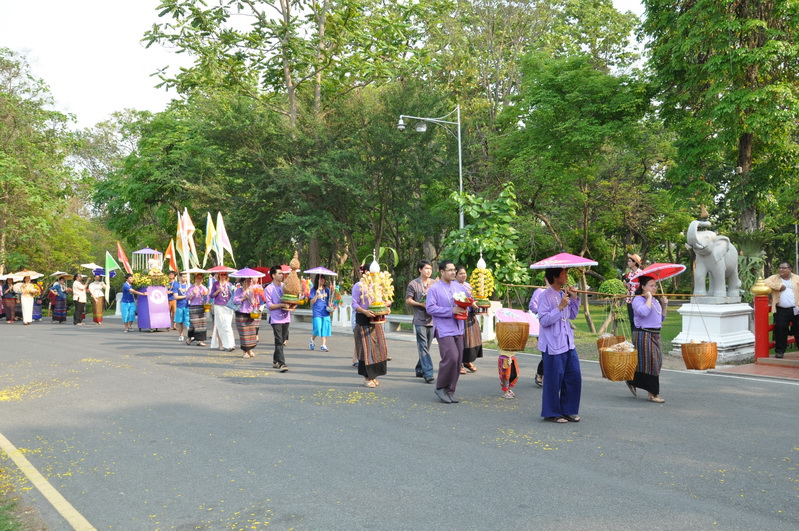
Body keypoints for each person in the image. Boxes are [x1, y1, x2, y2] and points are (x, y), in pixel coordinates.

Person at [537, 267, 582, 423]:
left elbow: (573, 315)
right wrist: (560, 307)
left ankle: (568, 410)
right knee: (554, 379)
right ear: (556, 276)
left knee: (574, 376)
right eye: (564, 273)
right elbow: (543, 320)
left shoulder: (564, 295)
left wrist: (574, 299)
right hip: (552, 343)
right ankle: (552, 412)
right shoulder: (545, 296)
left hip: (568, 342)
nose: (567, 276)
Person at [426, 260, 469, 404]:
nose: (453, 272)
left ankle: (450, 390)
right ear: (442, 272)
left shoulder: (459, 287)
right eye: (450, 270)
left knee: (458, 360)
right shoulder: (435, 288)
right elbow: (430, 308)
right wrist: (451, 311)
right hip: (444, 328)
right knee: (451, 356)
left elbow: (467, 302)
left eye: (454, 270)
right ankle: (440, 387)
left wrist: (466, 308)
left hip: (459, 327)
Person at [627, 275, 667, 403]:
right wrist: (649, 298)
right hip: (643, 333)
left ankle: (632, 380)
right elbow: (643, 312)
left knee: (656, 361)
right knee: (652, 363)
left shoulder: (655, 301)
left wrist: (665, 305)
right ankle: (653, 394)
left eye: (655, 285)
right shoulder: (638, 299)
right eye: (651, 285)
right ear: (643, 287)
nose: (654, 288)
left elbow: (661, 319)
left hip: (655, 334)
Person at [351, 268, 389, 387]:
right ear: (365, 273)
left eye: (376, 274)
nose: (374, 275)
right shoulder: (359, 285)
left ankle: (374, 376)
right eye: (371, 273)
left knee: (378, 348)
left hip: (376, 320)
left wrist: (386, 306)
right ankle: (367, 378)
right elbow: (354, 303)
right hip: (363, 320)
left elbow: (384, 300)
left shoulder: (378, 285)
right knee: (366, 350)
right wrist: (365, 311)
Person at [405, 259, 435, 383]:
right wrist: (420, 304)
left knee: (426, 346)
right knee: (423, 346)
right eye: (426, 268)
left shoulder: (434, 283)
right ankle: (428, 373)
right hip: (419, 319)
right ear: (420, 269)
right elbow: (408, 300)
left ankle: (419, 369)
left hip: (432, 320)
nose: (428, 271)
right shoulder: (413, 284)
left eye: (430, 269)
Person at [764, 262, 799, 358]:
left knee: (798, 330)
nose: (781, 270)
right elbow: (765, 282)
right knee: (780, 329)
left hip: (796, 309)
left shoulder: (796, 278)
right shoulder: (774, 278)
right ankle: (780, 351)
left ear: (790, 269)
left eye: (784, 268)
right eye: (779, 268)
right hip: (781, 310)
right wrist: (778, 286)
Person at [456, 265, 483, 374]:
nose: (463, 275)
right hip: (461, 316)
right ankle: (459, 365)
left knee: (472, 340)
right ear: (456, 275)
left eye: (464, 273)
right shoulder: (454, 286)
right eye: (460, 273)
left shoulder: (469, 286)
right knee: (462, 341)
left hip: (471, 316)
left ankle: (467, 361)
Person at [265, 265, 291, 372]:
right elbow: (269, 305)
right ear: (273, 275)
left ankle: (275, 360)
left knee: (283, 339)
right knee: (279, 340)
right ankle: (282, 363)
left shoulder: (285, 286)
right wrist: (281, 305)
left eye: (282, 273)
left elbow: (291, 298)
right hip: (275, 319)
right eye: (279, 273)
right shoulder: (268, 289)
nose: (282, 275)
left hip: (286, 317)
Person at [233, 277, 262, 359]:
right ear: (243, 282)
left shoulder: (253, 289)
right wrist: (243, 297)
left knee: (251, 333)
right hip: (241, 313)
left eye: (250, 281)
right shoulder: (239, 290)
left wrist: (253, 299)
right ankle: (244, 351)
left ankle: (249, 350)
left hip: (250, 313)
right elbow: (235, 301)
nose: (249, 282)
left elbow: (256, 301)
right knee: (244, 334)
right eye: (247, 281)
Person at [528, 278, 549, 387]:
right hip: (541, 324)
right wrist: (543, 311)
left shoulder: (559, 293)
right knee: (546, 351)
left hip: (554, 325)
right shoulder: (540, 291)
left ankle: (548, 375)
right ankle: (540, 373)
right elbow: (532, 306)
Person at [209, 272, 236, 352]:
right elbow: (211, 295)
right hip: (218, 305)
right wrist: (218, 291)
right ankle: (221, 344)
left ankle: (231, 344)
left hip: (228, 306)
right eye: (221, 274)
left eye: (224, 274)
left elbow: (233, 295)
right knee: (219, 324)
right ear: (218, 275)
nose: (223, 276)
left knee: (227, 325)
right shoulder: (215, 284)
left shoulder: (229, 284)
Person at [309, 274, 332, 352]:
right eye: (320, 279)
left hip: (325, 312)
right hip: (317, 312)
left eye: (323, 279)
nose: (322, 280)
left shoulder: (327, 290)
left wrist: (332, 305)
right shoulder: (313, 290)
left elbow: (330, 300)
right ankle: (312, 339)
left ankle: (323, 345)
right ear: (317, 280)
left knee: (325, 328)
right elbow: (312, 301)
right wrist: (316, 295)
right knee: (318, 328)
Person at [185, 272, 209, 347]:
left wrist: (207, 297)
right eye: (198, 278)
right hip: (193, 307)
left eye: (200, 278)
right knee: (194, 324)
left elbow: (207, 298)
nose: (199, 280)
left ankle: (200, 340)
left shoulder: (204, 288)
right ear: (195, 279)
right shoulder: (191, 288)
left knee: (202, 324)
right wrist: (193, 294)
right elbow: (187, 298)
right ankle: (190, 337)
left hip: (202, 307)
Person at [623, 254, 643, 332]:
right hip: (629, 300)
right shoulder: (629, 274)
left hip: (638, 300)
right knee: (632, 320)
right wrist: (626, 285)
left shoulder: (641, 273)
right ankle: (633, 339)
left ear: (635, 263)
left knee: (638, 320)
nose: (628, 262)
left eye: (630, 261)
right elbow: (628, 287)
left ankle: (639, 338)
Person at [172, 272, 190, 342]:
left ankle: (189, 336)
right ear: (180, 277)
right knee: (180, 322)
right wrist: (185, 296)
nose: (185, 278)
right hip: (179, 306)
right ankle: (181, 335)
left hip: (187, 306)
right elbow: (176, 296)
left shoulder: (189, 285)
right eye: (183, 277)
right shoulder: (176, 285)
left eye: (186, 277)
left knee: (188, 322)